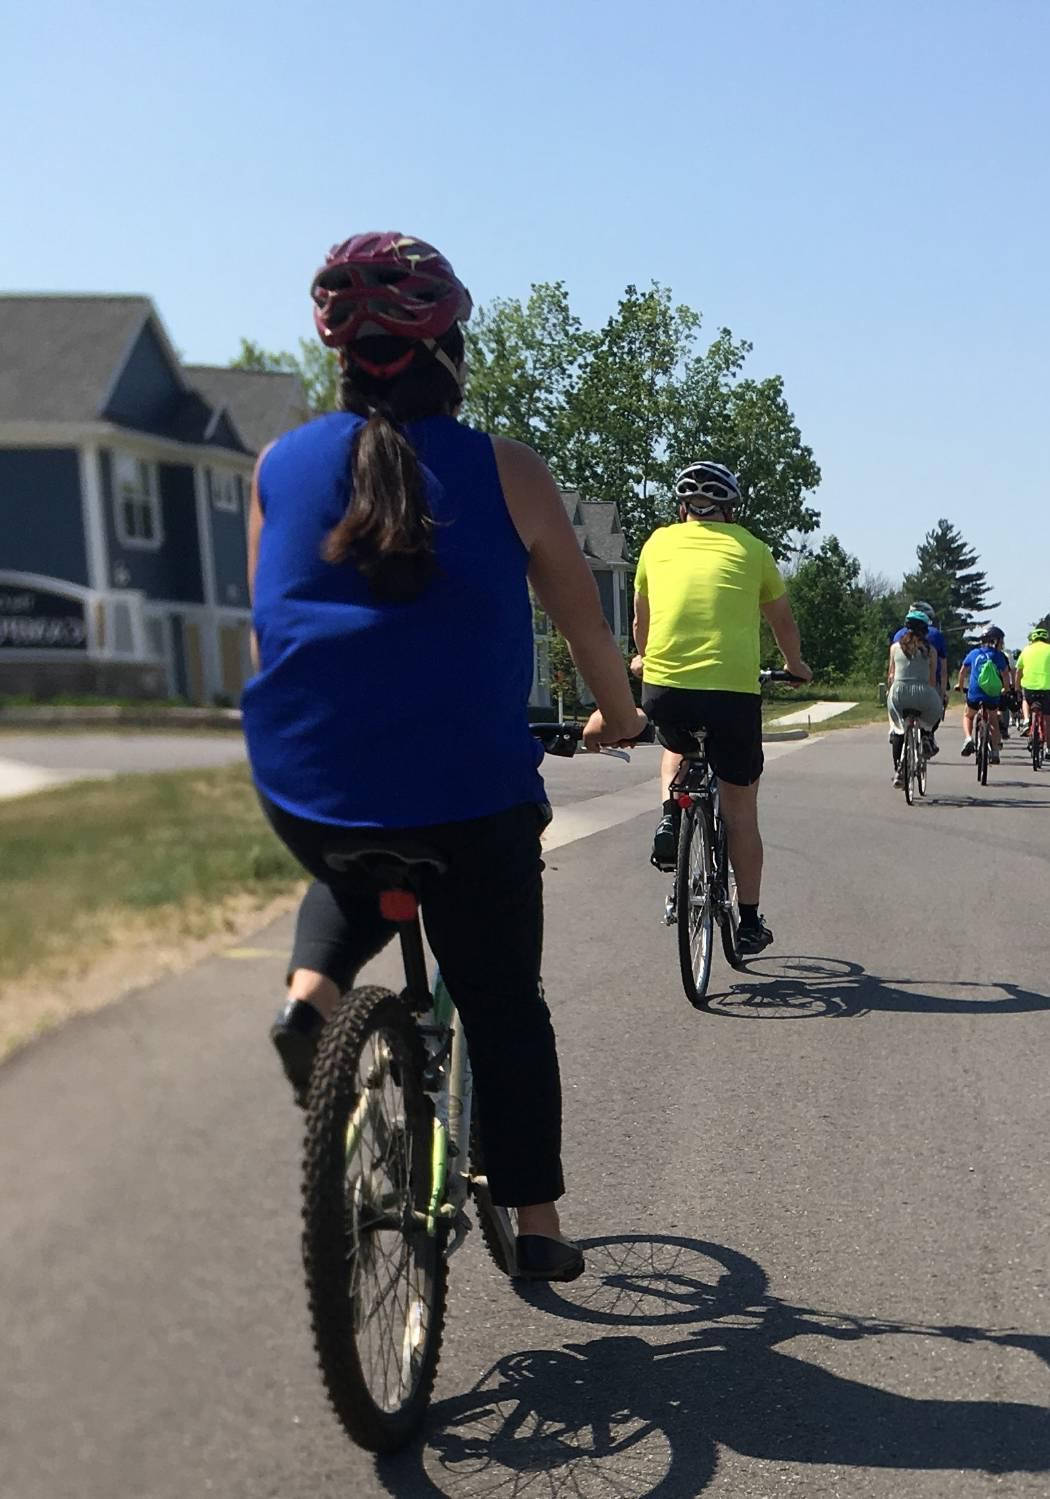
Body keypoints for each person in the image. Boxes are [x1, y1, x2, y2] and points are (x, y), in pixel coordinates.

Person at [248, 232, 645, 1281]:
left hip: (307, 772)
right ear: (451, 352)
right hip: (468, 788)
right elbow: (586, 631)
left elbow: (270, 627)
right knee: (504, 1000)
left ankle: (313, 994)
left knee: (353, 849)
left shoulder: (279, 466)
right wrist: (623, 717)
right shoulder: (504, 468)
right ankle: (541, 1218)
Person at [632, 460, 811, 956]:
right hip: (732, 694)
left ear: (682, 508)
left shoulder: (656, 543)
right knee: (741, 810)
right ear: (730, 510)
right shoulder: (752, 549)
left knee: (677, 743)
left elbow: (641, 621)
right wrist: (795, 665)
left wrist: (643, 657)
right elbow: (782, 620)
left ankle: (671, 814)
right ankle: (750, 920)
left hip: (664, 686)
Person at [886, 609, 945, 785]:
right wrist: (939, 697)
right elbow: (933, 680)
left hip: (899, 693)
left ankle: (898, 770)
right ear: (925, 630)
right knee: (934, 712)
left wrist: (890, 694)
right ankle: (926, 736)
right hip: (923, 693)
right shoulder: (930, 650)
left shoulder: (894, 648)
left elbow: (891, 675)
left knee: (898, 729)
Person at [893, 600, 950, 756]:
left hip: (899, 689)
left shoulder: (897, 637)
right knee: (934, 712)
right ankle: (927, 736)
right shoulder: (934, 639)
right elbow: (941, 670)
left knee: (897, 721)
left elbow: (892, 672)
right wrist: (942, 693)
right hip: (926, 686)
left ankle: (895, 734)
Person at [958, 625, 1012, 755]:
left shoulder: (974, 653)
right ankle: (995, 752)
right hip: (992, 694)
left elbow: (962, 672)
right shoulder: (998, 656)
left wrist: (960, 686)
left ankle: (968, 738)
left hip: (975, 693)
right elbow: (1005, 674)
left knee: (968, 715)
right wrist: (1005, 689)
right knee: (993, 719)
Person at [1016, 626, 1050, 756]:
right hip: (1047, 688)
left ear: (1032, 638)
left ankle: (1026, 719)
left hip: (1029, 687)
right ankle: (1049, 749)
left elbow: (1018, 671)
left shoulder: (1026, 650)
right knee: (1048, 718)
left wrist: (1016, 688)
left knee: (1026, 699)